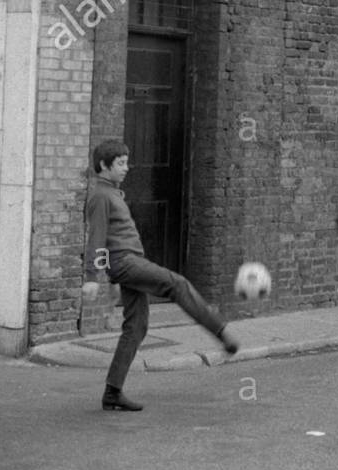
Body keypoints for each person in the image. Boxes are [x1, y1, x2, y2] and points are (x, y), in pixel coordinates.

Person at [82, 139, 237, 411]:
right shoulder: (101, 196)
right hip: (126, 262)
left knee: (136, 327)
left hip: (127, 263)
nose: (126, 168)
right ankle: (221, 332)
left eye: (126, 162)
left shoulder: (112, 193)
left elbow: (110, 237)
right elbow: (97, 238)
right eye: (120, 163)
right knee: (176, 283)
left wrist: (113, 279)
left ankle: (112, 392)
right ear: (104, 166)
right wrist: (93, 277)